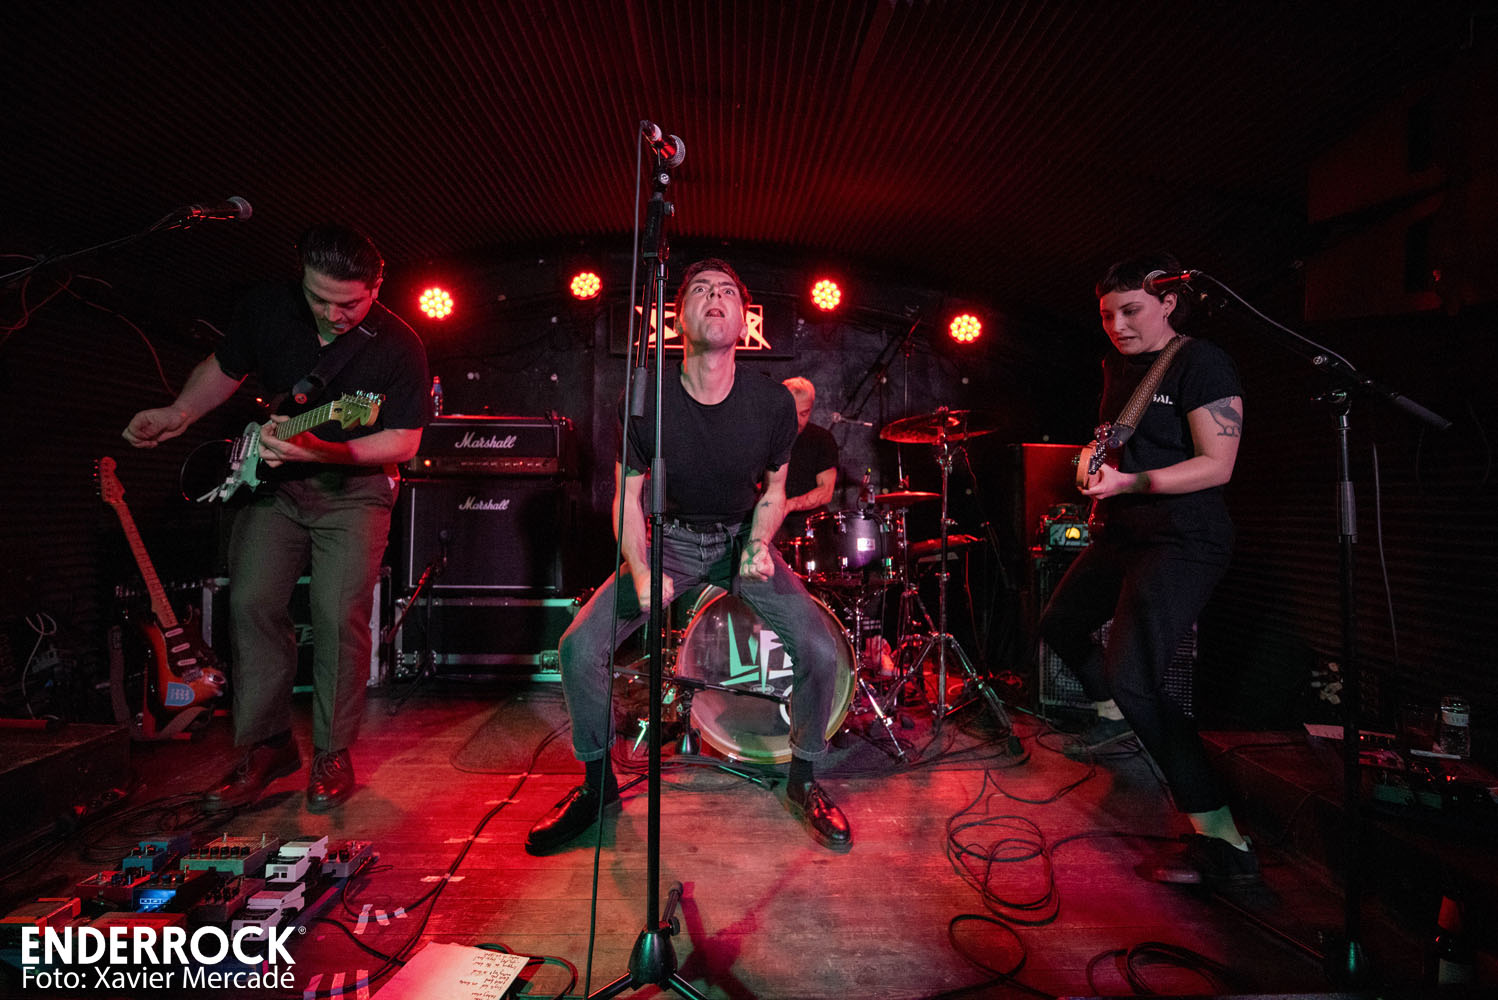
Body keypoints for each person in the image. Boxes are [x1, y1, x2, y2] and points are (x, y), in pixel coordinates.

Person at [526, 258, 852, 853]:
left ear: (745, 321)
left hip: (738, 541)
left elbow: (775, 492)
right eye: (700, 290)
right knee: (578, 647)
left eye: (727, 290)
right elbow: (627, 497)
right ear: (678, 319)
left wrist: (759, 544)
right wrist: (641, 571)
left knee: (818, 647)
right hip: (669, 541)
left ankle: (804, 778)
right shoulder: (645, 397)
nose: (714, 296)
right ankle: (597, 787)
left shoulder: (772, 403)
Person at [123, 223, 429, 813]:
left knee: (337, 615)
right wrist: (179, 412)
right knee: (251, 603)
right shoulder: (266, 307)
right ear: (301, 278)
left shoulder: (398, 345)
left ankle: (332, 752)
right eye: (319, 298)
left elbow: (404, 439)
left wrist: (324, 450)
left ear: (376, 288)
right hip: (272, 488)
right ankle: (268, 746)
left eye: (349, 304)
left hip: (354, 491)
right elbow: (225, 366)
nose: (332, 315)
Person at [1037, 253, 1256, 888]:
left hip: (1183, 540)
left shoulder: (1201, 362)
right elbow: (1118, 435)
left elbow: (1217, 464)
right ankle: (1115, 719)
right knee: (1060, 624)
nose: (1118, 326)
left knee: (1136, 679)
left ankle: (1226, 842)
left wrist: (1130, 482)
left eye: (1131, 311)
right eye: (1107, 315)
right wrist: (1092, 459)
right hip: (1124, 534)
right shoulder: (1118, 367)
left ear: (1167, 303)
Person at [777, 376, 839, 542]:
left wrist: (788, 505)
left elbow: (825, 492)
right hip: (773, 524)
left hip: (811, 526)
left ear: (811, 409)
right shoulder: (767, 438)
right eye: (792, 413)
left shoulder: (822, 439)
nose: (797, 420)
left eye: (804, 414)